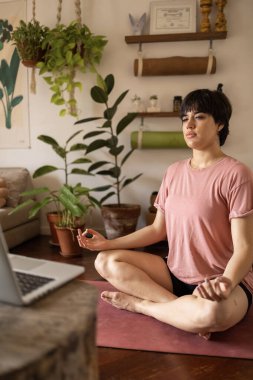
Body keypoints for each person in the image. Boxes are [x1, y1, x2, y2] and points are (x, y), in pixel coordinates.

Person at [78, 87, 253, 339]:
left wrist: (226, 282)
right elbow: (158, 230)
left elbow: (245, 248)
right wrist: (108, 243)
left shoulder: (236, 174)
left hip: (220, 280)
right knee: (104, 260)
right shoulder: (174, 171)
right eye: (185, 118)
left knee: (212, 315)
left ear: (220, 124)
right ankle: (180, 309)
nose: (189, 124)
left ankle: (142, 305)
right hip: (174, 274)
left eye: (200, 117)